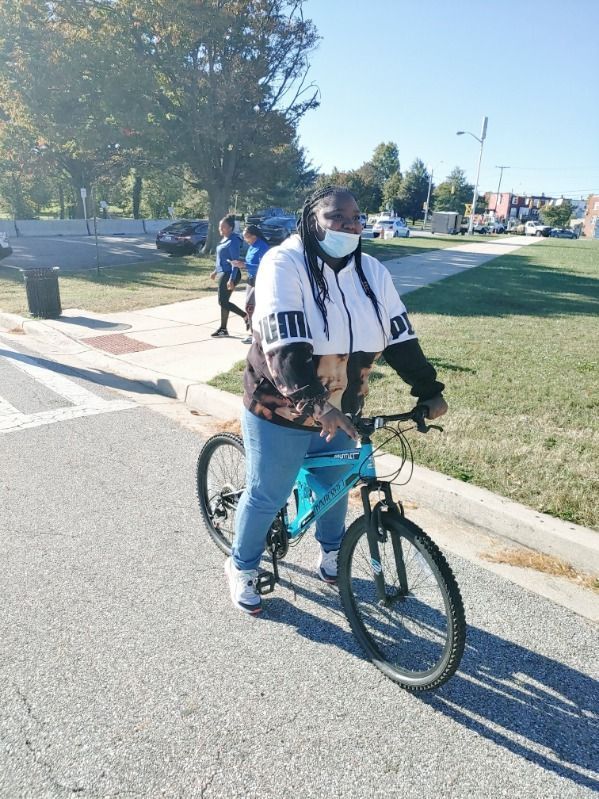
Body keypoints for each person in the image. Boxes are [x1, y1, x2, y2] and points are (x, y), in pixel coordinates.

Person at [224, 186, 448, 614]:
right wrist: (313, 402)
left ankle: (331, 554)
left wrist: (428, 389)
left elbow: (400, 336)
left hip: (342, 409)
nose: (349, 225)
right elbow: (283, 341)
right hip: (281, 408)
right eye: (336, 217)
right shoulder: (283, 262)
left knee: (336, 487)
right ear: (311, 220)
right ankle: (242, 565)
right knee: (267, 493)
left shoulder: (372, 272)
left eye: (355, 218)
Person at [230, 224, 270, 344]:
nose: (245, 240)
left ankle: (255, 335)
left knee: (250, 307)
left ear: (254, 236)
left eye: (247, 237)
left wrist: (245, 265)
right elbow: (248, 261)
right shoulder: (251, 247)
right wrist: (240, 262)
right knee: (250, 307)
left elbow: (263, 266)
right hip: (250, 280)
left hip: (259, 280)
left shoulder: (262, 247)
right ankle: (253, 333)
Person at [210, 215, 247, 337]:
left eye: (224, 226)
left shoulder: (233, 241)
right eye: (220, 226)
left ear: (230, 228)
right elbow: (222, 259)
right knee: (224, 301)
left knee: (222, 301)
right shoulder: (224, 239)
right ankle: (223, 329)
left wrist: (231, 279)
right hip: (223, 272)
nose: (221, 228)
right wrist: (216, 271)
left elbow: (234, 262)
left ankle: (245, 316)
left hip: (231, 274)